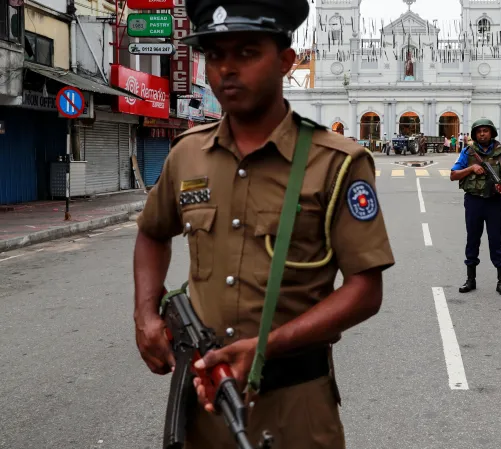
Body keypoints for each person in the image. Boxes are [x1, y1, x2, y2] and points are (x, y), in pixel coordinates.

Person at [131, 0, 395, 448]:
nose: (226, 70)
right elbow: (153, 232)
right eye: (215, 55)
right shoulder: (187, 154)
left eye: (247, 52)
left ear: (286, 62)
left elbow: (365, 289)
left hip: (297, 409)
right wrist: (145, 314)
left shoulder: (335, 162)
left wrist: (264, 347)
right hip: (206, 407)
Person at [449, 119, 501, 297]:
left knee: (495, 240)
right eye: (479, 132)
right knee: (473, 239)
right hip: (473, 201)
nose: (482, 134)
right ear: (474, 135)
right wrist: (471, 168)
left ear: (491, 133)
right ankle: (470, 279)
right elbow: (453, 175)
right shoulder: (467, 152)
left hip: (494, 201)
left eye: (485, 131)